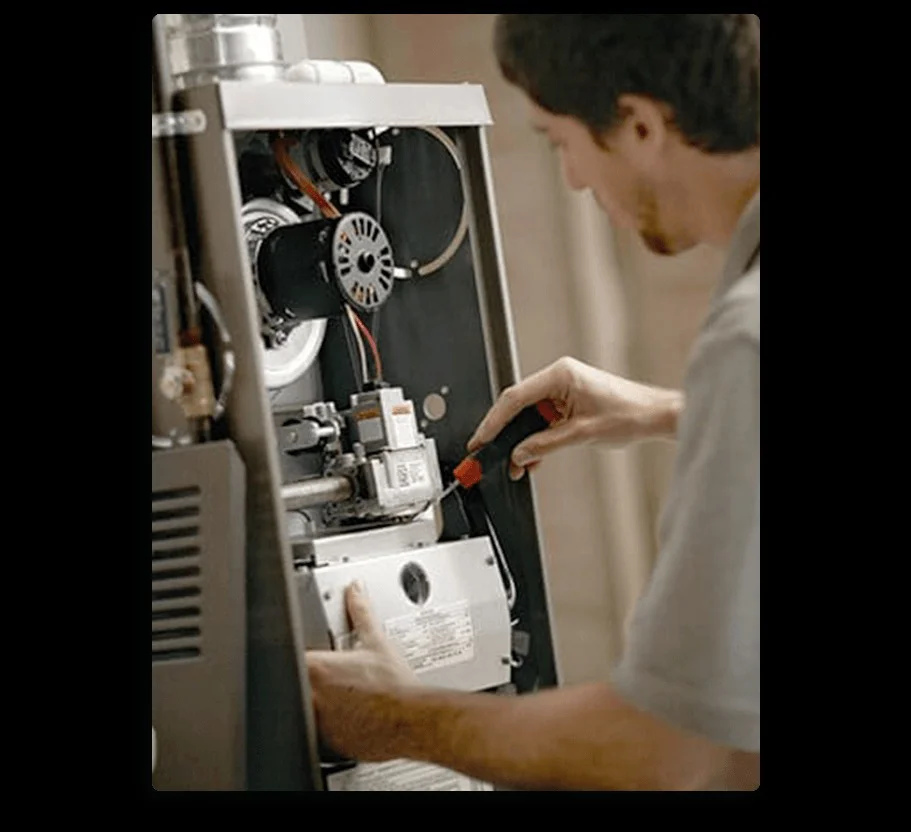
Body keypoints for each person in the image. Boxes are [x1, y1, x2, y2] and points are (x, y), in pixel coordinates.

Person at [306, 14, 760, 791]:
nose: (575, 180)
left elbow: (663, 749)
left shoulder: (744, 340)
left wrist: (391, 715)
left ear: (639, 125)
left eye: (560, 142)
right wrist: (675, 412)